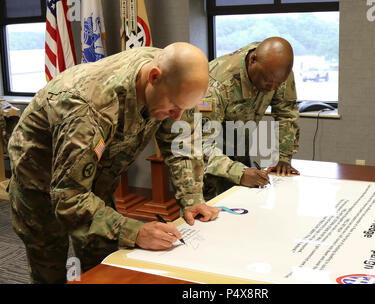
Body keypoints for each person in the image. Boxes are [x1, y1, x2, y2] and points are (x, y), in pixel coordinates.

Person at [7, 42, 220, 284]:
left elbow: (178, 143)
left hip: (93, 180)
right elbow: (69, 197)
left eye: (184, 108)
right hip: (40, 183)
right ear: (153, 77)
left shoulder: (172, 81)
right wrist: (135, 231)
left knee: (105, 264)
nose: (177, 116)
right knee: (50, 266)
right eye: (173, 106)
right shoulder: (89, 107)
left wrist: (192, 198)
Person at [156, 37, 300, 211]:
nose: (271, 88)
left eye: (277, 84)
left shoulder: (277, 71)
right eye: (267, 82)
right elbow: (199, 144)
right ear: (253, 60)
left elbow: (286, 112)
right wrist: (238, 172)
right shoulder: (217, 84)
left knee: (244, 217)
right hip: (205, 170)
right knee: (206, 222)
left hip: (239, 154)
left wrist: (284, 158)